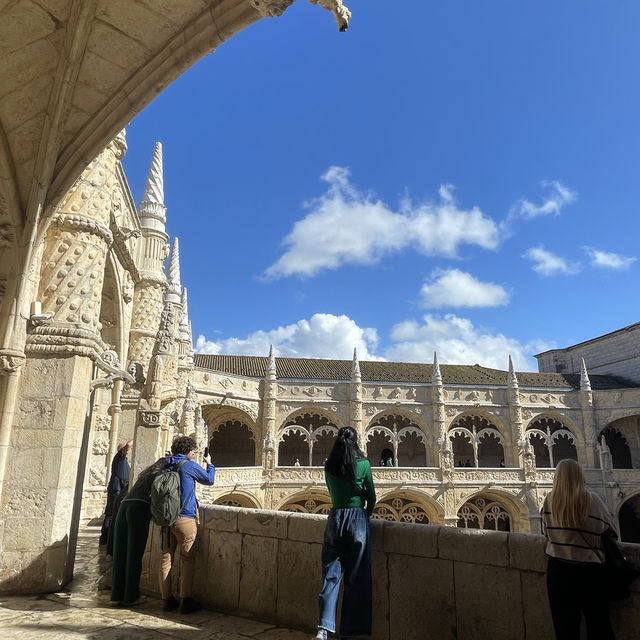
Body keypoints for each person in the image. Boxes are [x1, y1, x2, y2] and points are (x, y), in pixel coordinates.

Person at [542, 459, 618, 640]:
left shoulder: (549, 501)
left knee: (565, 629)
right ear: (580, 476)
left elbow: (545, 532)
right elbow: (612, 531)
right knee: (598, 626)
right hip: (590, 571)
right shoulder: (593, 500)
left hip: (558, 571)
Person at [314, 426, 376, 640]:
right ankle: (349, 631)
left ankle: (323, 629)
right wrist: (365, 514)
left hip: (335, 518)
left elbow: (332, 493)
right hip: (357, 519)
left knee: (330, 575)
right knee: (356, 576)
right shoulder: (363, 464)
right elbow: (372, 496)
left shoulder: (329, 466)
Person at [159, 435, 215, 614]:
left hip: (166, 519)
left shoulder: (165, 463)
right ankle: (186, 600)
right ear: (189, 451)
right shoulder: (189, 465)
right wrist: (210, 464)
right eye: (193, 451)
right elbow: (209, 480)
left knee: (166, 559)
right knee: (188, 559)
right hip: (185, 518)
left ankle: (167, 600)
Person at [110, 457, 166, 606]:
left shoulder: (146, 473)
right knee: (134, 554)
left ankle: (117, 594)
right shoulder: (162, 473)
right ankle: (130, 597)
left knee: (120, 553)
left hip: (124, 505)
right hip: (139, 508)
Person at [100, 439, 133, 546]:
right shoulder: (119, 457)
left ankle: (108, 539)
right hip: (116, 491)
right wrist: (134, 439)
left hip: (119, 490)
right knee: (111, 514)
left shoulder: (123, 460)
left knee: (113, 514)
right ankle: (106, 539)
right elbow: (128, 445)